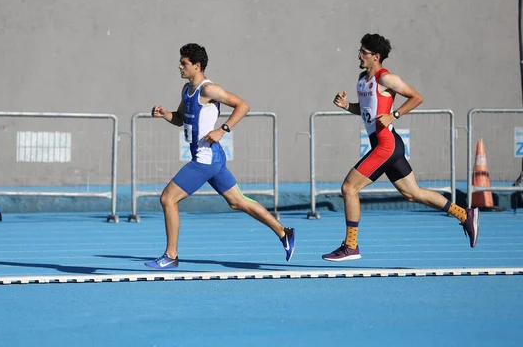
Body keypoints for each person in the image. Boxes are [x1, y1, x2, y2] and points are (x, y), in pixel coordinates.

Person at [323, 33, 479, 262]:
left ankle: (351, 246)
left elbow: (416, 97)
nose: (359, 54)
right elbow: (366, 111)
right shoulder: (362, 80)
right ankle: (464, 214)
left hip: (386, 145)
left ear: (376, 57)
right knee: (412, 193)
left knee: (349, 188)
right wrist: (347, 106)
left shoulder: (386, 79)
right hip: (385, 145)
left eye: (363, 52)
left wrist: (394, 115)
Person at [145, 43, 295, 270]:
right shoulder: (187, 90)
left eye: (184, 63)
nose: (179, 66)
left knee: (168, 198)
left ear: (197, 65)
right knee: (238, 202)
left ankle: (171, 255)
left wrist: (222, 129)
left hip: (205, 159)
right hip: (211, 159)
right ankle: (283, 232)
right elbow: (180, 119)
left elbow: (242, 106)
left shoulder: (209, 89)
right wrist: (165, 114)